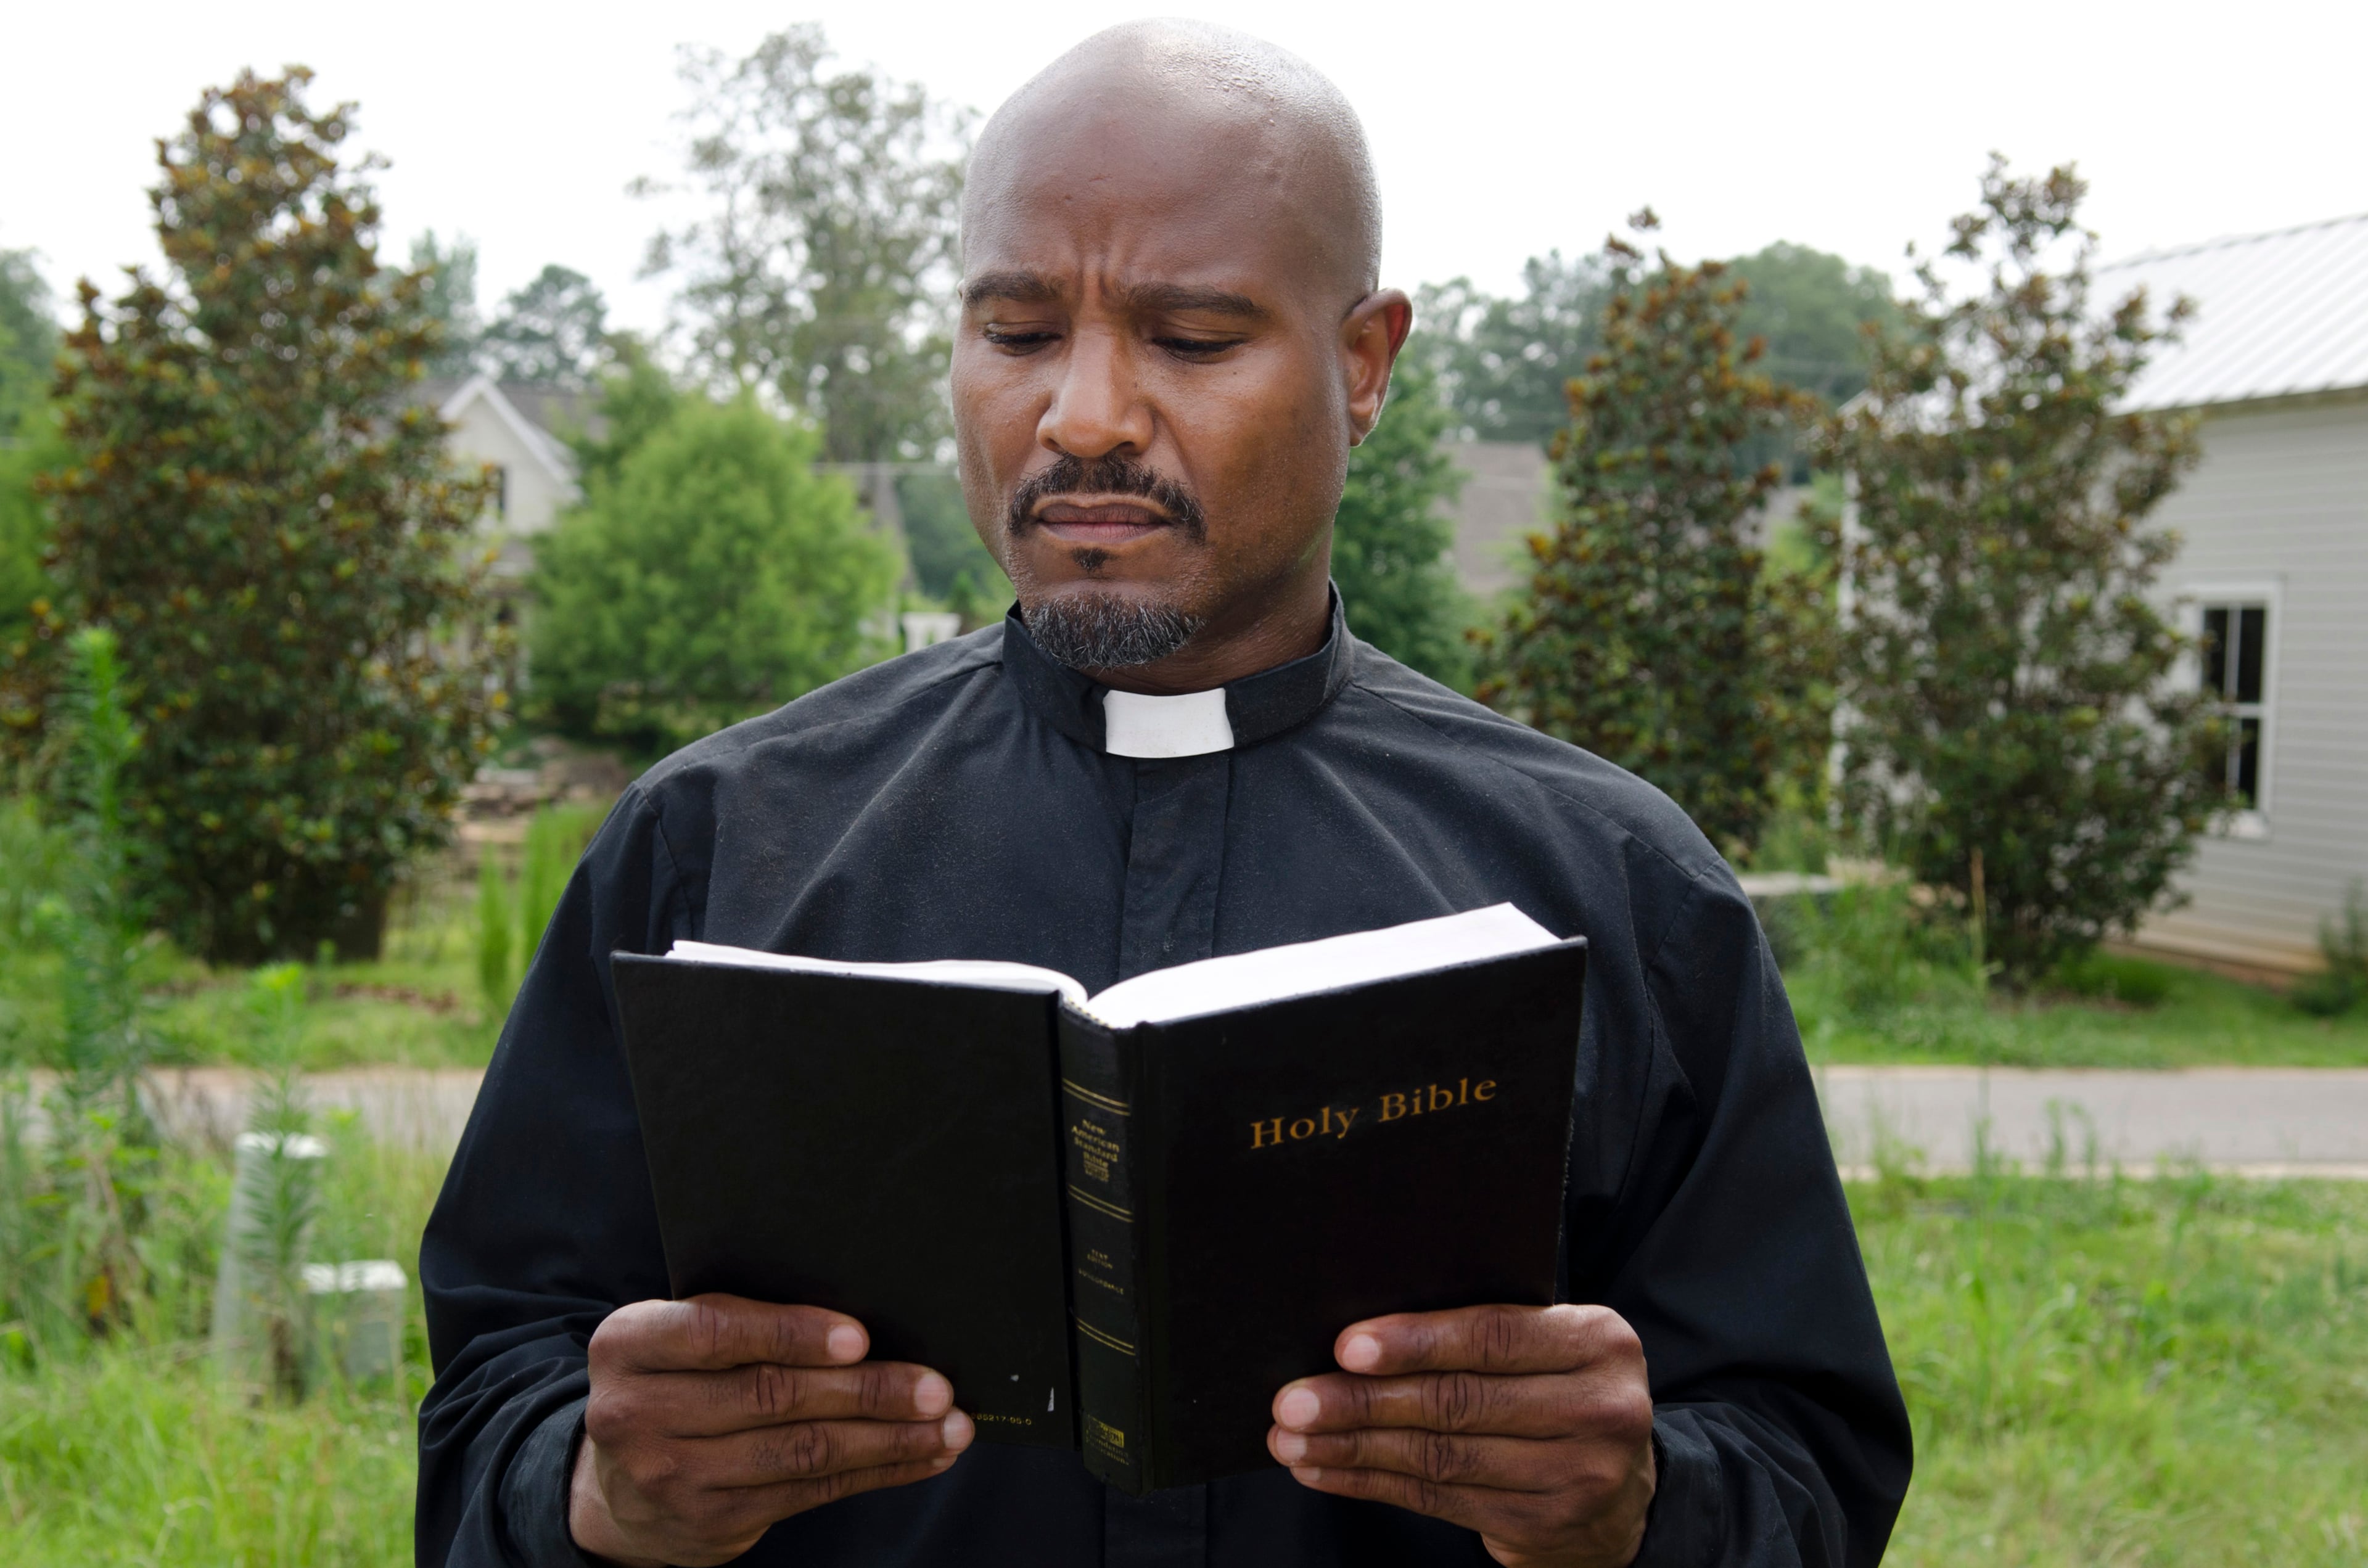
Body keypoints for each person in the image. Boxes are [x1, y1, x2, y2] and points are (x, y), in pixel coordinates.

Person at [417, 20, 1910, 1568]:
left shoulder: (1614, 886)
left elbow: (1809, 1463)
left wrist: (1641, 1503)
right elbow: (491, 1402)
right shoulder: (717, 848)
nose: (1081, 418)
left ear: (1365, 362)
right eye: (1014, 332)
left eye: (1192, 339)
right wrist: (593, 1491)